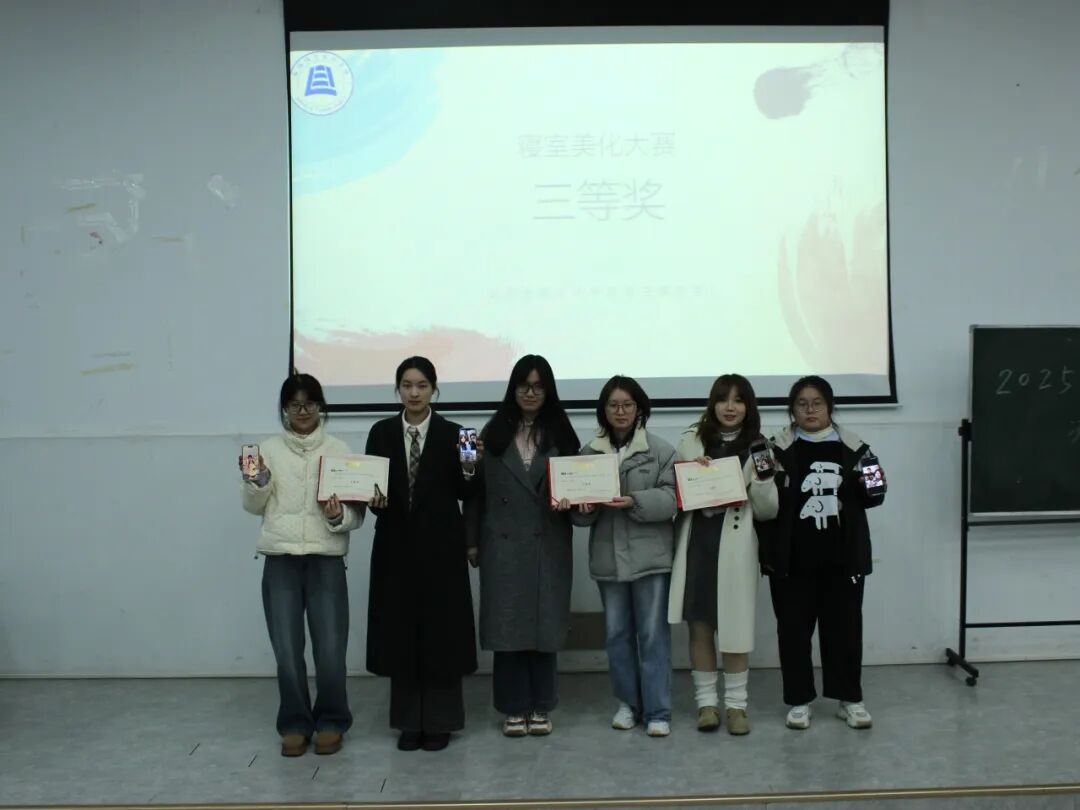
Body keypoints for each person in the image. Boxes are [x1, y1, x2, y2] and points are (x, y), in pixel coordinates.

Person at [240, 373, 361, 757]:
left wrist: (337, 515)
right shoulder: (267, 450)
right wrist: (257, 482)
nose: (303, 411)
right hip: (280, 560)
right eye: (295, 404)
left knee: (331, 649)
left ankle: (332, 721)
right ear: (284, 409)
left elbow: (356, 515)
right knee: (287, 650)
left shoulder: (340, 449)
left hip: (326, 560)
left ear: (321, 407)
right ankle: (294, 723)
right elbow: (252, 506)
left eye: (310, 403)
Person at [363, 356, 479, 751]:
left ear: (434, 389)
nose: (414, 393)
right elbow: (373, 493)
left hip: (442, 548)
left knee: (442, 634)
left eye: (422, 385)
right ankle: (409, 722)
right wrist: (373, 500)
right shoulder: (380, 432)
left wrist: (471, 465)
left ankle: (442, 720)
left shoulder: (458, 434)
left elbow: (468, 491)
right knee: (401, 633)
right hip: (395, 547)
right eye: (407, 385)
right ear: (398, 389)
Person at [465, 355, 580, 737]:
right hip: (501, 544)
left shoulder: (562, 434)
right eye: (524, 386)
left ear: (548, 391)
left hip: (548, 541)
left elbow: (580, 488)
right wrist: (471, 541)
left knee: (545, 627)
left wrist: (577, 503)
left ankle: (542, 704)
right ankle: (513, 707)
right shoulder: (492, 431)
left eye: (538, 386)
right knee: (508, 627)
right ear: (513, 389)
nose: (530, 393)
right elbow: (475, 493)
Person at [765, 375, 886, 730]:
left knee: (845, 631)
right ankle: (799, 700)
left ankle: (850, 699)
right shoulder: (774, 449)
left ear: (830, 407)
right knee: (793, 632)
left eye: (817, 403)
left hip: (843, 559)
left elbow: (877, 495)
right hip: (791, 560)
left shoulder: (857, 448)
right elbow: (762, 499)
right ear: (792, 410)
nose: (810, 410)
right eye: (801, 404)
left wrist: (870, 485)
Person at [667, 374, 778, 735]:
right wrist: (691, 474)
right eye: (723, 399)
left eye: (739, 400)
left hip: (735, 547)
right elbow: (674, 497)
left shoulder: (761, 447)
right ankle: (706, 705)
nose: (730, 407)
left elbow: (768, 511)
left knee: (735, 626)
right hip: (698, 544)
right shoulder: (690, 442)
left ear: (749, 406)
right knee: (700, 625)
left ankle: (736, 707)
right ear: (712, 404)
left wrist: (762, 480)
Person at [572, 375, 677, 737]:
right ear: (603, 410)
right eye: (613, 405)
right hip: (608, 559)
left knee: (652, 635)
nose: (620, 411)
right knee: (617, 635)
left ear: (639, 409)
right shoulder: (588, 454)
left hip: (651, 559)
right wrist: (583, 508)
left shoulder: (661, 451)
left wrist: (635, 501)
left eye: (627, 405)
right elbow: (579, 514)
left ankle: (658, 710)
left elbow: (673, 499)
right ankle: (628, 704)